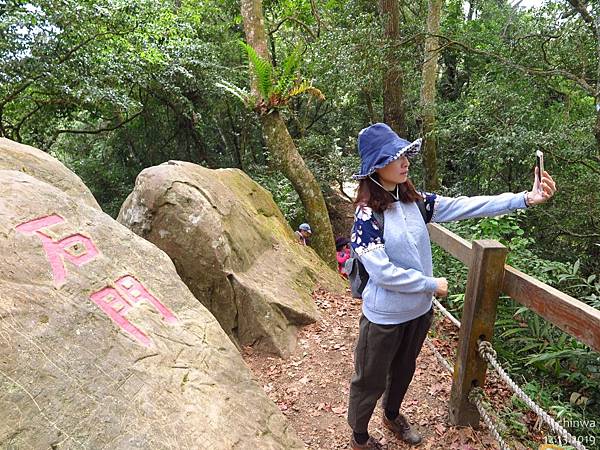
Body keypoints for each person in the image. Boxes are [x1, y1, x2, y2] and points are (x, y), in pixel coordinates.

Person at [346, 123, 556, 449]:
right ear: (376, 166)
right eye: (396, 157)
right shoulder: (366, 215)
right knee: (369, 379)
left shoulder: (415, 202)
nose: (406, 162)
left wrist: (524, 199)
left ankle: (391, 414)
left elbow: (465, 205)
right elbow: (383, 272)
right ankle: (360, 435)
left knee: (403, 371)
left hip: (418, 312)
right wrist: (429, 283)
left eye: (405, 155)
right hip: (384, 317)